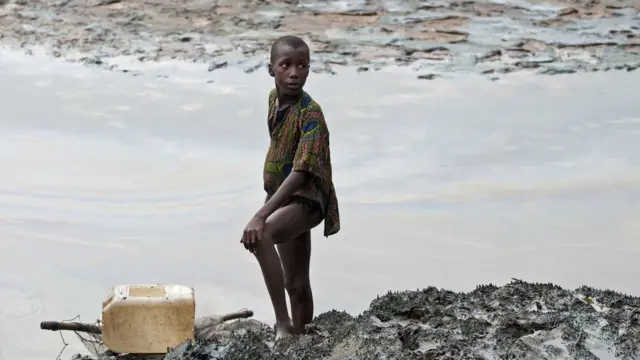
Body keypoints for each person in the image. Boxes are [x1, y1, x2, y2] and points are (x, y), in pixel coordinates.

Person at [239, 35, 340, 339]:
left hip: (307, 199)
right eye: (286, 65)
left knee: (262, 235)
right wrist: (271, 198)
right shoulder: (274, 100)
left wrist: (262, 214)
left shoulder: (310, 114)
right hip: (283, 196)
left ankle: (282, 325)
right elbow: (281, 154)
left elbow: (300, 172)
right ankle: (300, 338)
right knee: (295, 282)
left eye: (302, 66)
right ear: (272, 69)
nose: (295, 73)